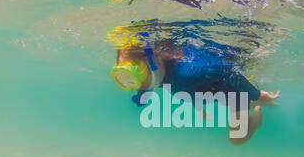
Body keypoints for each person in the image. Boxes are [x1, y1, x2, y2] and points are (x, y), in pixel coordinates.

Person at [110, 37, 280, 145]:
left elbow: (226, 71)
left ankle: (256, 113)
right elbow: (185, 90)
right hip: (213, 92)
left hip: (235, 94)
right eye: (125, 77)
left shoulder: (186, 71)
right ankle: (253, 102)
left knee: (237, 139)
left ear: (156, 62)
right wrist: (198, 106)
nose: (137, 85)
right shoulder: (157, 78)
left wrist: (257, 94)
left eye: (139, 75)